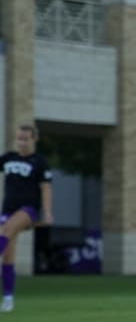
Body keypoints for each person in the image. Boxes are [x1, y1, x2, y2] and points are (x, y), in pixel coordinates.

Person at [0, 124, 52, 313]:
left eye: (25, 139)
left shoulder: (39, 162)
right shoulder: (8, 158)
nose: (21, 142)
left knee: (6, 230)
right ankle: (8, 298)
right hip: (7, 209)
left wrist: (47, 212)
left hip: (28, 209)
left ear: (33, 139)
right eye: (19, 138)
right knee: (8, 254)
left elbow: (46, 188)